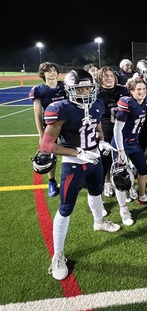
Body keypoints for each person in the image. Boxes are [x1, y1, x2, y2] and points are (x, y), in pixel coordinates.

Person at [42, 69, 120, 281]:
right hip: (74, 163)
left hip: (94, 158)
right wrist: (77, 152)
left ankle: (99, 222)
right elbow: (46, 144)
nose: (85, 92)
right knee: (66, 208)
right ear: (70, 90)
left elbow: (96, 125)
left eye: (88, 87)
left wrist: (101, 140)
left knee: (96, 194)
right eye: (80, 88)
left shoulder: (96, 104)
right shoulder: (61, 109)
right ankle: (58, 255)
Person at [111, 76, 147, 225]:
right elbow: (117, 128)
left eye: (143, 89)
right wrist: (121, 150)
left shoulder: (145, 100)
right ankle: (123, 209)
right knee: (120, 177)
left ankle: (142, 196)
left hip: (134, 142)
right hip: (121, 143)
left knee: (143, 169)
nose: (142, 92)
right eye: (138, 90)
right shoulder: (127, 102)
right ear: (131, 91)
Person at [29, 62, 67, 197]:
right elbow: (38, 114)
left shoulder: (64, 86)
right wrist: (41, 134)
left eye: (54, 70)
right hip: (50, 125)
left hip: (68, 124)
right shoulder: (39, 89)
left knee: (72, 148)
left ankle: (75, 176)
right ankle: (51, 181)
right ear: (43, 74)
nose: (52, 73)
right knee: (50, 153)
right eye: (48, 71)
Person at [96, 66, 130, 201]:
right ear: (99, 79)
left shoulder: (123, 90)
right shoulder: (97, 93)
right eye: (105, 76)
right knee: (106, 160)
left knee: (123, 159)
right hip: (106, 130)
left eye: (111, 75)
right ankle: (107, 182)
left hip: (123, 130)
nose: (109, 78)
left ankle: (123, 183)